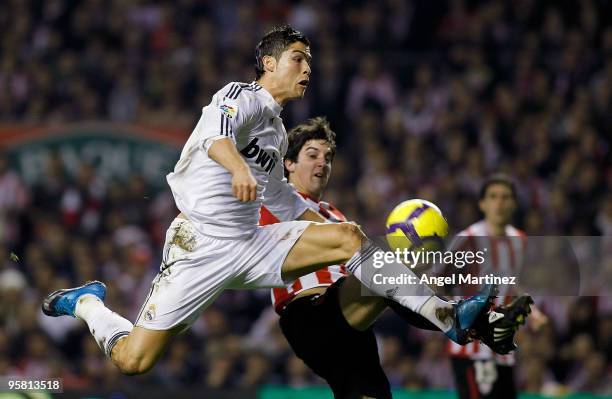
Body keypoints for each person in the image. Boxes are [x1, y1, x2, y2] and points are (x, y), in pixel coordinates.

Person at [42, 25, 494, 377]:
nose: (307, 70)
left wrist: (337, 226)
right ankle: (86, 304)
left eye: (310, 62)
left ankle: (448, 315)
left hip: (249, 241)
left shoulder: (276, 135)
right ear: (268, 62)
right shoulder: (239, 96)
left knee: (348, 238)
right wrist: (238, 168)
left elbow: (288, 202)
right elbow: (215, 139)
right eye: (298, 59)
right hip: (198, 245)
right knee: (134, 362)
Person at [261, 119, 535, 399]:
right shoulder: (274, 199)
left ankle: (469, 321)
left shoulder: (336, 214)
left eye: (328, 157)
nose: (322, 162)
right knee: (385, 271)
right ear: (289, 163)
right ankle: (469, 321)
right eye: (312, 155)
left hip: (351, 322)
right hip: (310, 314)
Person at [445, 175, 548, 399]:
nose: (499, 203)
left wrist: (533, 311)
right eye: (493, 197)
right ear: (482, 204)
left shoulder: (519, 239)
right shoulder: (467, 239)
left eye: (505, 197)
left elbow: (512, 281)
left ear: (513, 203)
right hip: (470, 348)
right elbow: (437, 279)